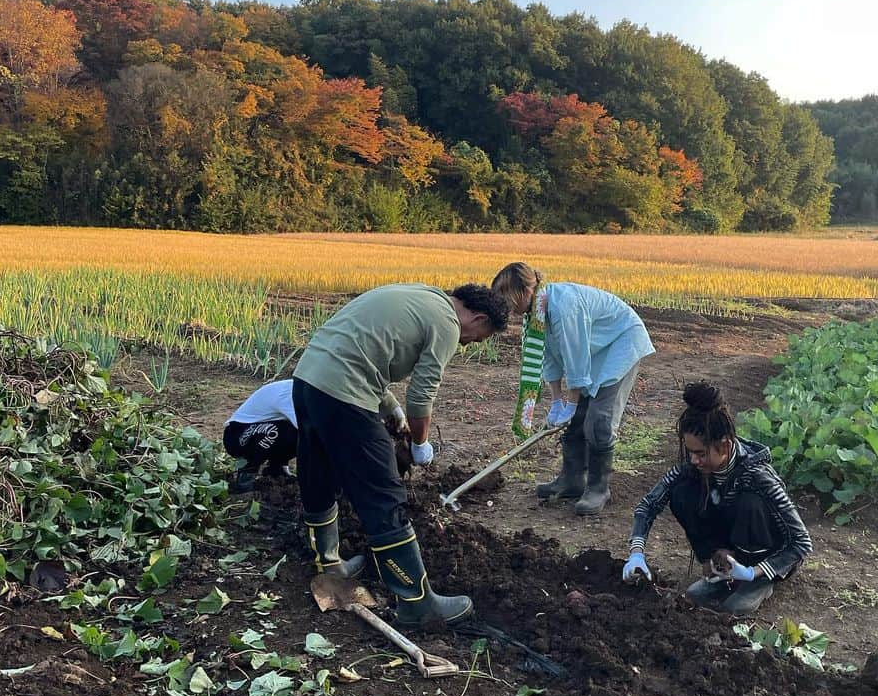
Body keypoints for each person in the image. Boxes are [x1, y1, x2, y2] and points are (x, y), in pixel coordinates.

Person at [292, 282, 510, 627]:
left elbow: (364, 351)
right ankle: (417, 603)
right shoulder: (447, 324)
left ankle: (329, 563)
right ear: (479, 317)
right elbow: (422, 397)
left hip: (308, 381)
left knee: (319, 472)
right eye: (478, 337)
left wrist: (390, 408)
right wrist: (420, 445)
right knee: (383, 493)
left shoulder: (419, 295)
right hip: (344, 394)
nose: (469, 345)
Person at [622, 381, 812, 615]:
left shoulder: (758, 476)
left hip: (765, 555)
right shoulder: (691, 468)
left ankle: (755, 581)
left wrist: (753, 572)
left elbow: (801, 543)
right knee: (682, 493)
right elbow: (648, 506)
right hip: (730, 542)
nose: (693, 460)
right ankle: (720, 569)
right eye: (690, 452)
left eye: (700, 453)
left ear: (724, 445)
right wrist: (636, 554)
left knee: (749, 505)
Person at [491, 263, 655, 516]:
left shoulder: (563, 306)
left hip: (620, 343)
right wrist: (558, 403)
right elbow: (551, 358)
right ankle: (572, 480)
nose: (507, 306)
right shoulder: (536, 313)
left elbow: (575, 359)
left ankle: (599, 488)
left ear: (524, 291)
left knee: (598, 418)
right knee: (574, 418)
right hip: (596, 349)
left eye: (507, 298)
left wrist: (571, 403)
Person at [223, 379, 299, 494]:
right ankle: (247, 472)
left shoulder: (301, 390)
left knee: (292, 432)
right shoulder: (289, 393)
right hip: (236, 436)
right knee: (284, 431)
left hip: (259, 430)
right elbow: (305, 428)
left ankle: (276, 469)